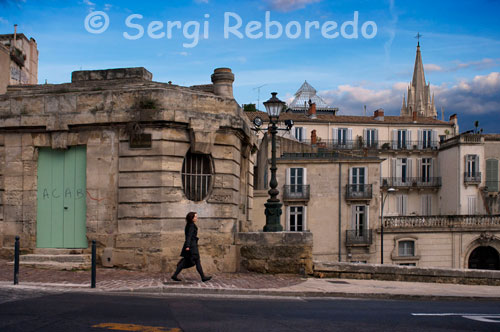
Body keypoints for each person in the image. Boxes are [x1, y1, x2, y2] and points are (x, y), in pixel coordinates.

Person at [171, 212, 212, 282]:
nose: (197, 218)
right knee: (196, 261)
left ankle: (175, 274)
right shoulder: (191, 225)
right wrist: (187, 246)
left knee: (192, 261)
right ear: (191, 218)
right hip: (192, 246)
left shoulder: (189, 224)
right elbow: (189, 236)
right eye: (195, 217)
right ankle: (203, 277)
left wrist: (187, 245)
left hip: (191, 245)